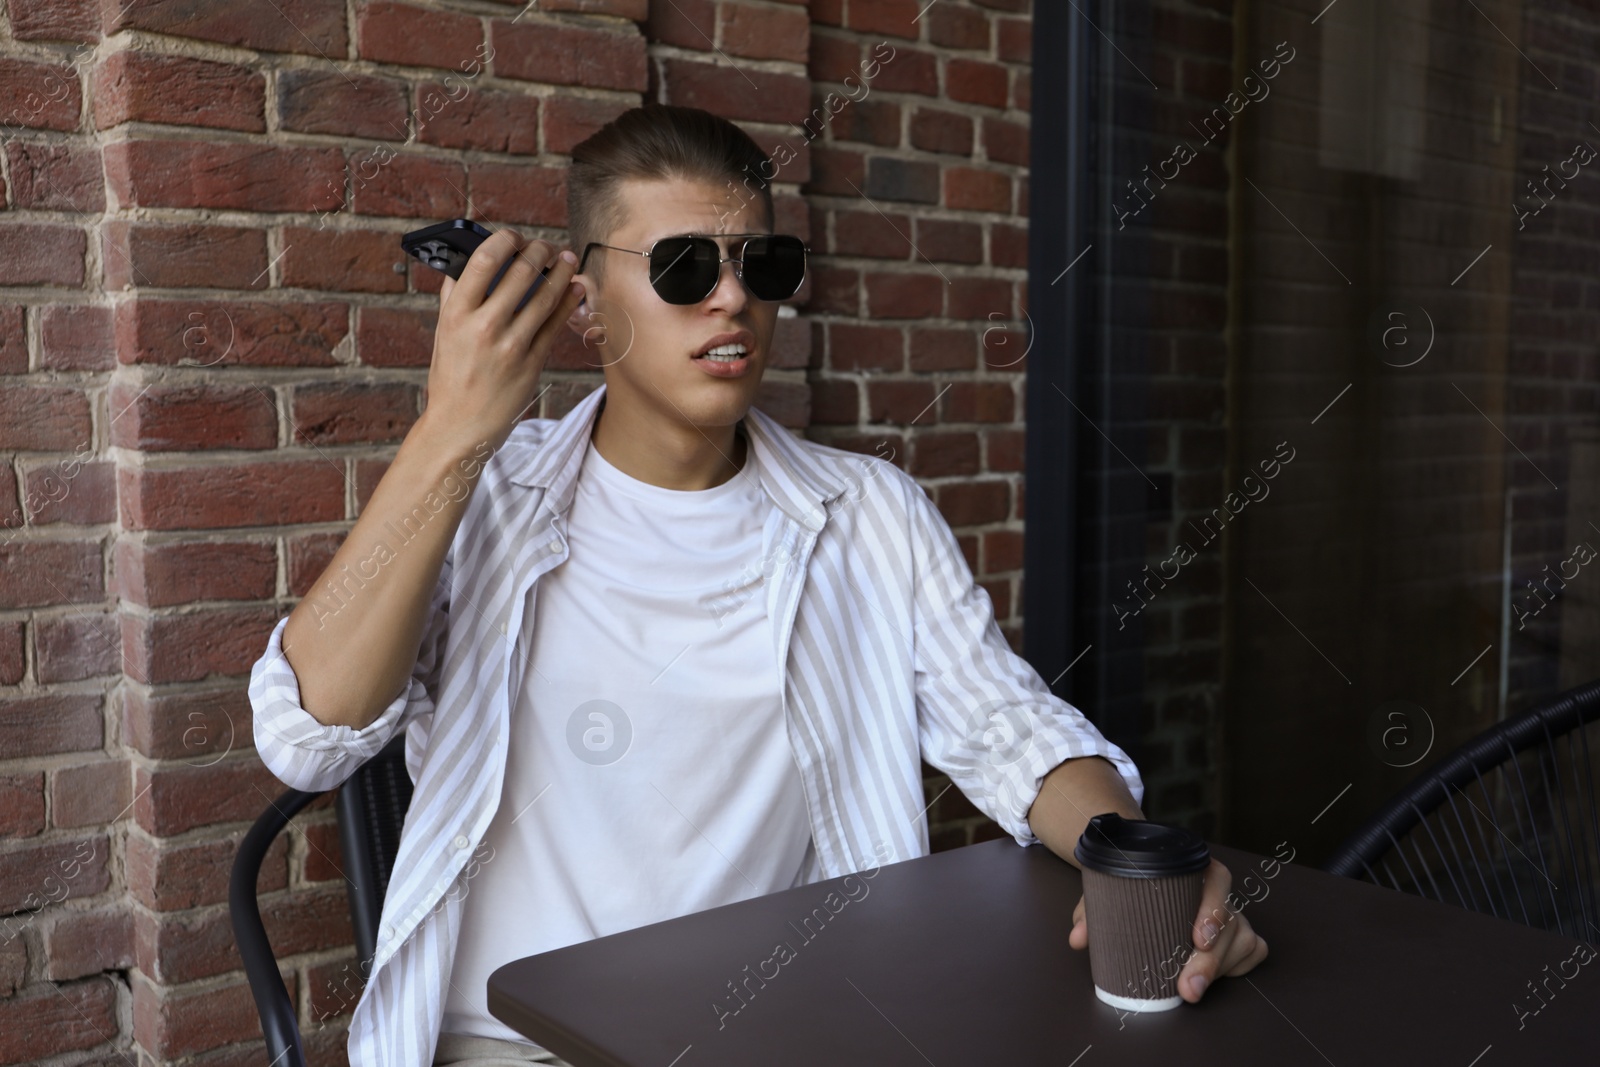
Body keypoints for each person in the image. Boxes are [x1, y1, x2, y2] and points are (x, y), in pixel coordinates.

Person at [248, 103, 1265, 1067]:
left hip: (787, 1029)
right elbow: (307, 734)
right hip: (526, 1040)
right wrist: (454, 433)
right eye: (684, 267)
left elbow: (1009, 726)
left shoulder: (869, 514)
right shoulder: (485, 493)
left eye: (760, 264)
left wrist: (1127, 853)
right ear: (587, 304)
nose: (731, 297)